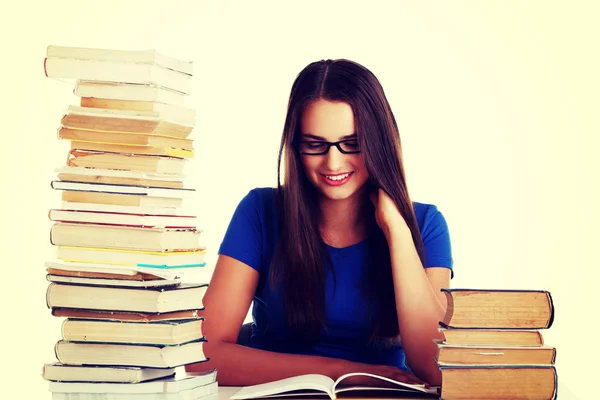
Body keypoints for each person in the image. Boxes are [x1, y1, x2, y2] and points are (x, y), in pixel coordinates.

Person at [186, 59, 453, 387]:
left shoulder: (426, 224)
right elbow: (202, 355)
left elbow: (435, 367)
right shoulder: (260, 211)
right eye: (315, 145)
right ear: (295, 147)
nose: (333, 162)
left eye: (352, 144)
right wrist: (341, 372)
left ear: (378, 143)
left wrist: (397, 230)